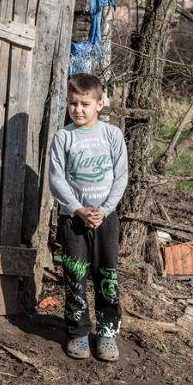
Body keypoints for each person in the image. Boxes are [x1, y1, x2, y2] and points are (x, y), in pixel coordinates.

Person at [49, 73, 128, 362]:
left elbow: (121, 177)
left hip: (106, 220)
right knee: (75, 275)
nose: (78, 109)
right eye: (73, 103)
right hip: (74, 220)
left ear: (99, 104)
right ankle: (78, 332)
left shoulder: (112, 135)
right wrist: (77, 209)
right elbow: (56, 179)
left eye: (85, 104)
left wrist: (104, 210)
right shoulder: (64, 137)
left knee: (107, 276)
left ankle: (107, 332)